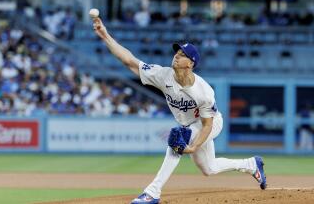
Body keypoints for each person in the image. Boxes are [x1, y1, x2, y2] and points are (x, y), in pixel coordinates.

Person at [92, 17, 267, 204]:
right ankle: (250, 164)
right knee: (209, 169)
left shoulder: (204, 91)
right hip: (189, 124)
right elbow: (130, 61)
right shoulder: (163, 75)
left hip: (211, 123)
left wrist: (193, 146)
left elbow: (207, 125)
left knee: (178, 139)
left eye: (183, 54)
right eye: (177, 52)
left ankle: (152, 192)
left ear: (191, 63)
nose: (177, 55)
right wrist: (105, 35)